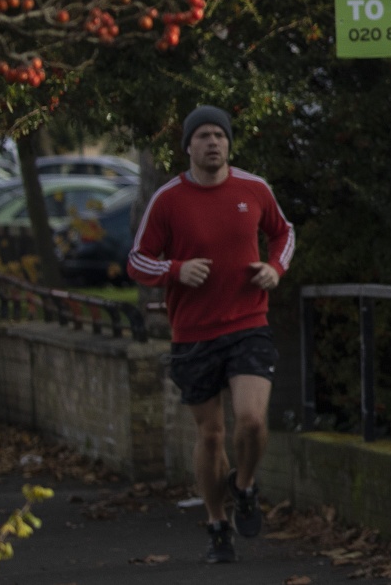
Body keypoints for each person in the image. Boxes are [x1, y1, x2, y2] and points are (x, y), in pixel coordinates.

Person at [128, 106, 294, 564]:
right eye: (203, 136)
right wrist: (177, 270)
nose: (213, 143)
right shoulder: (168, 199)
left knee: (253, 421)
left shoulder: (254, 188)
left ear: (229, 144)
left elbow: (284, 233)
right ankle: (218, 525)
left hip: (248, 324)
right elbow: (137, 261)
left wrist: (274, 269)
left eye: (220, 135)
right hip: (194, 334)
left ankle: (244, 487)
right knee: (211, 436)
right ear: (188, 146)